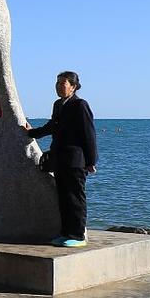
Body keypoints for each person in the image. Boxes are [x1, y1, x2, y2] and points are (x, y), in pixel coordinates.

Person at [23, 71, 98, 247]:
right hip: (60, 159)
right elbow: (52, 126)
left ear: (73, 86)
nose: (58, 86)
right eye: (57, 83)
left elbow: (89, 134)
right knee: (63, 198)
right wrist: (32, 133)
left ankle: (78, 236)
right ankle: (66, 233)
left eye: (63, 83)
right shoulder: (58, 105)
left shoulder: (80, 105)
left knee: (75, 198)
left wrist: (91, 161)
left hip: (75, 160)